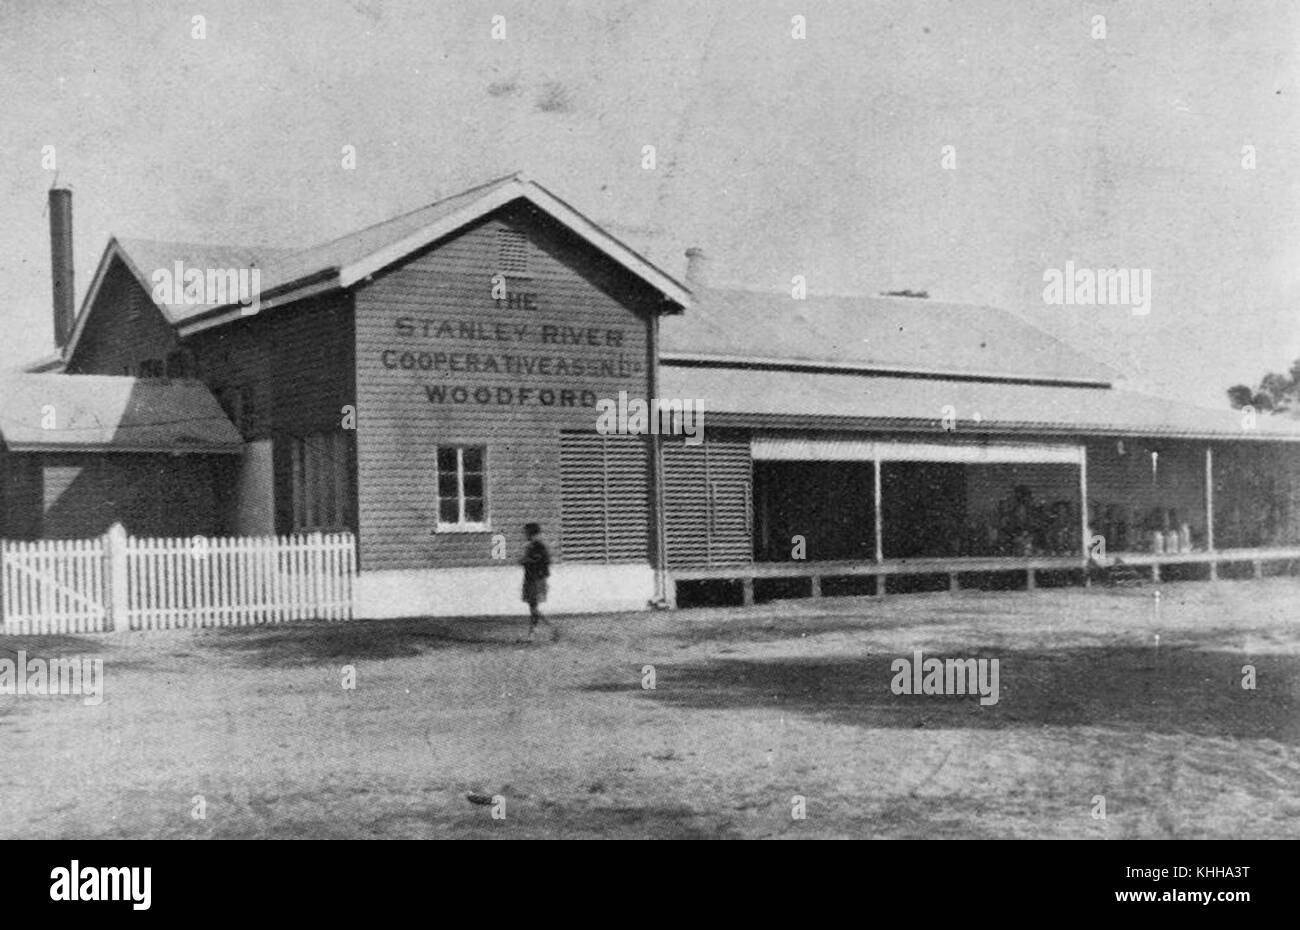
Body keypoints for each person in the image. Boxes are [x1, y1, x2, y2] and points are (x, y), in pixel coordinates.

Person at [520, 522, 552, 639]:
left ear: (531, 533)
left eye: (526, 533)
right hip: (531, 578)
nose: (525, 535)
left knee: (533, 605)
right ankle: (534, 630)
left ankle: (536, 630)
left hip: (536, 579)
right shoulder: (531, 546)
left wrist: (526, 561)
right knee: (532, 605)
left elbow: (544, 562)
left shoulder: (538, 546)